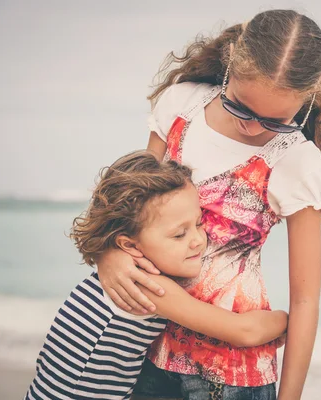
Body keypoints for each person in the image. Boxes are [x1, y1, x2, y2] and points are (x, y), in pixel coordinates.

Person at [98, 9, 321, 400]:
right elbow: (131, 209)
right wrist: (107, 254)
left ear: (307, 99)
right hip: (145, 348)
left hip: (232, 373)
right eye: (241, 107)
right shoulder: (182, 108)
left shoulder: (297, 162)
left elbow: (304, 300)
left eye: (277, 121)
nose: (254, 128)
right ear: (230, 67)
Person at [25, 152, 288, 400]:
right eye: (178, 234)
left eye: (198, 223)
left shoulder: (115, 267)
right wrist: (285, 321)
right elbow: (244, 332)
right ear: (128, 245)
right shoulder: (145, 285)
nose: (198, 240)